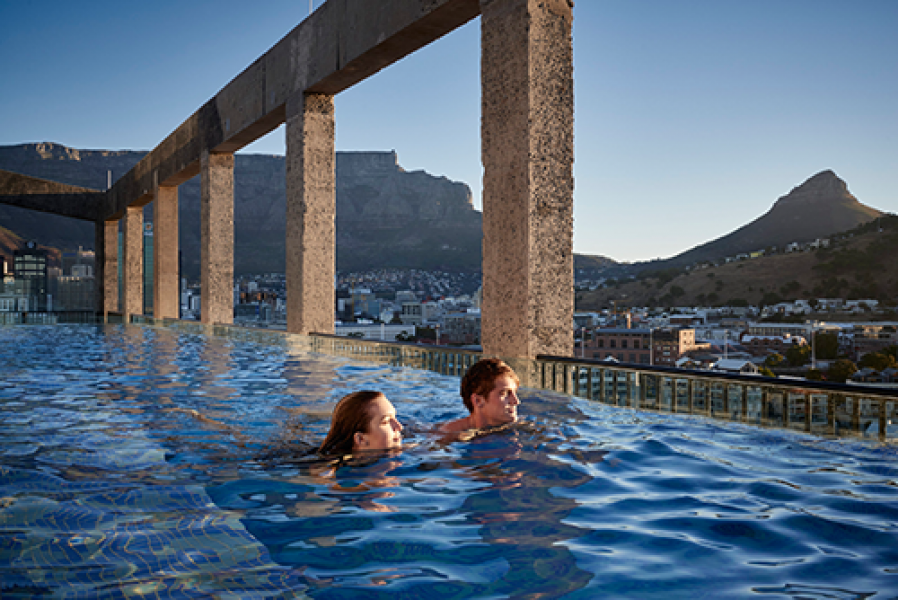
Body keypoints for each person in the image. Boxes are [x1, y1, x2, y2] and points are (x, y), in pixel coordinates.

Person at [439, 358, 521, 433]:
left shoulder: (520, 426)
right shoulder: (449, 435)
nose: (516, 401)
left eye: (515, 392)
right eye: (505, 393)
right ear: (478, 400)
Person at [319, 390, 404, 456]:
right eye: (386, 422)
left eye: (395, 417)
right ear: (361, 439)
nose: (399, 427)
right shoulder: (330, 468)